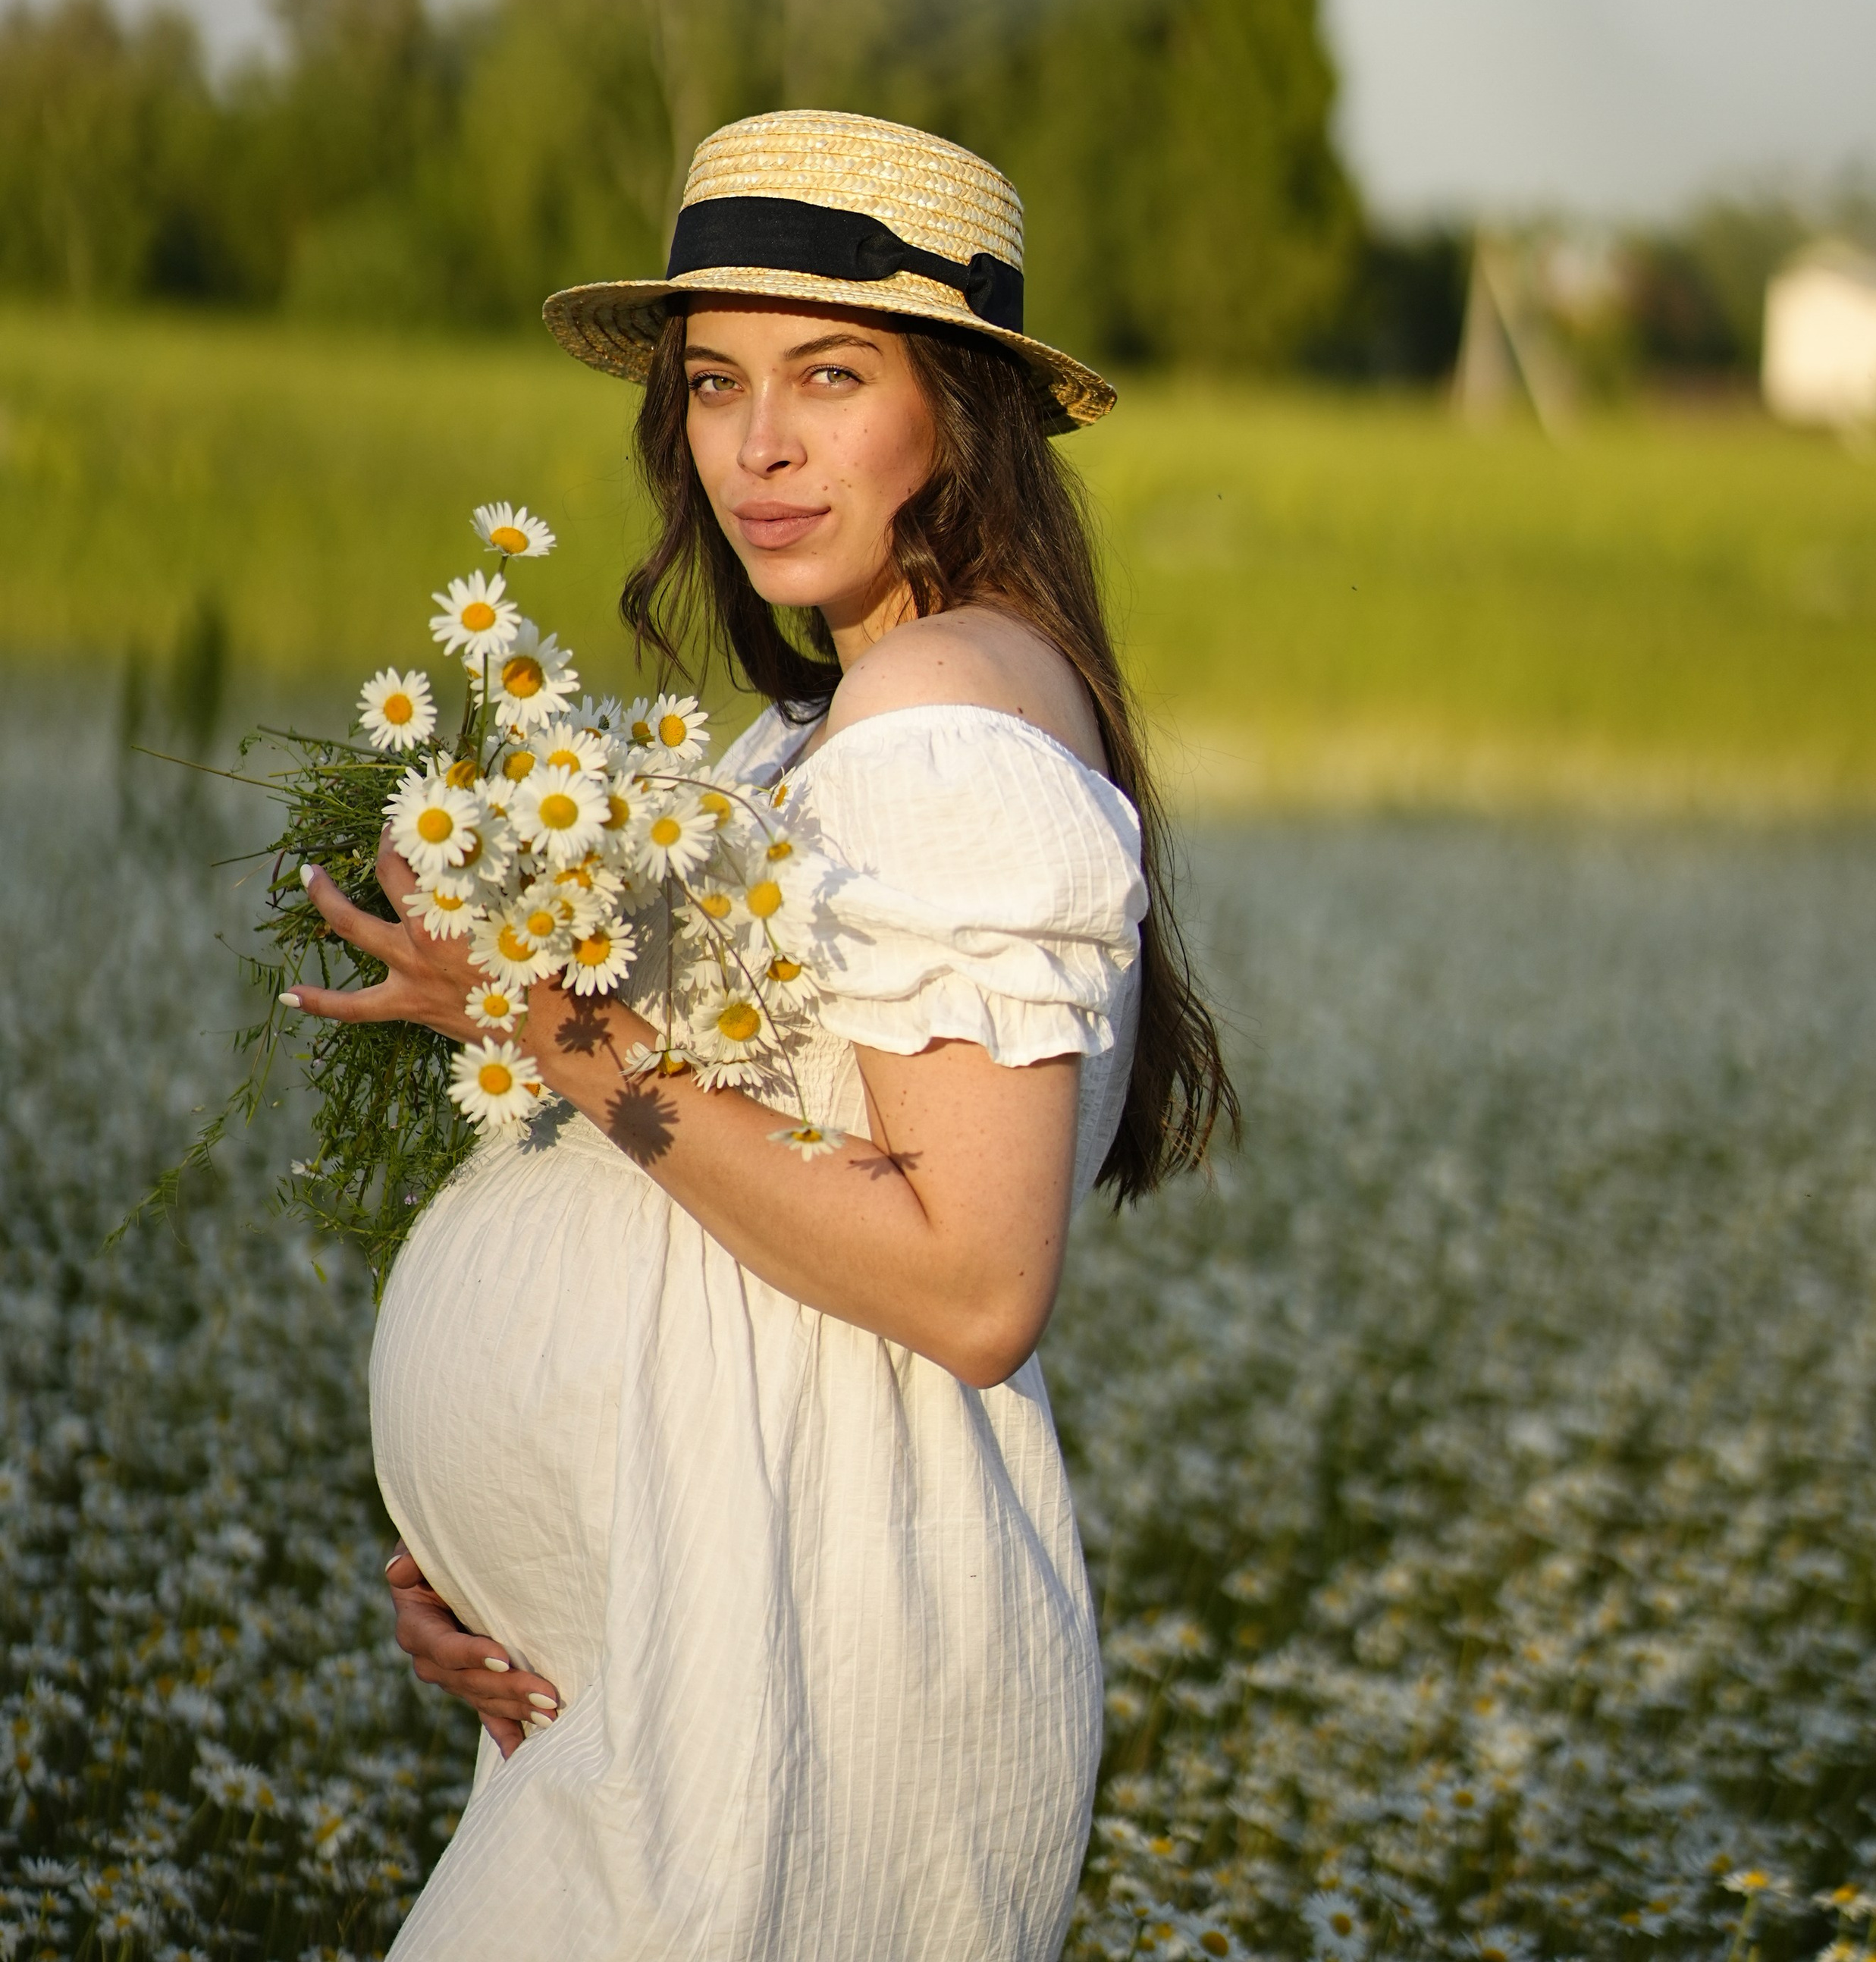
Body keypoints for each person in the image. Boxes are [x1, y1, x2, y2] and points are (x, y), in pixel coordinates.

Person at [288, 108, 1236, 1962]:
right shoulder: (835, 719)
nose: (759, 444)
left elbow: (970, 1282)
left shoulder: (946, 719)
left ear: (954, 409)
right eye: (715, 384)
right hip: (667, 1647)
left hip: (801, 1658)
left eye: (829, 375)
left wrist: (560, 1029)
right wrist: (501, 1559)